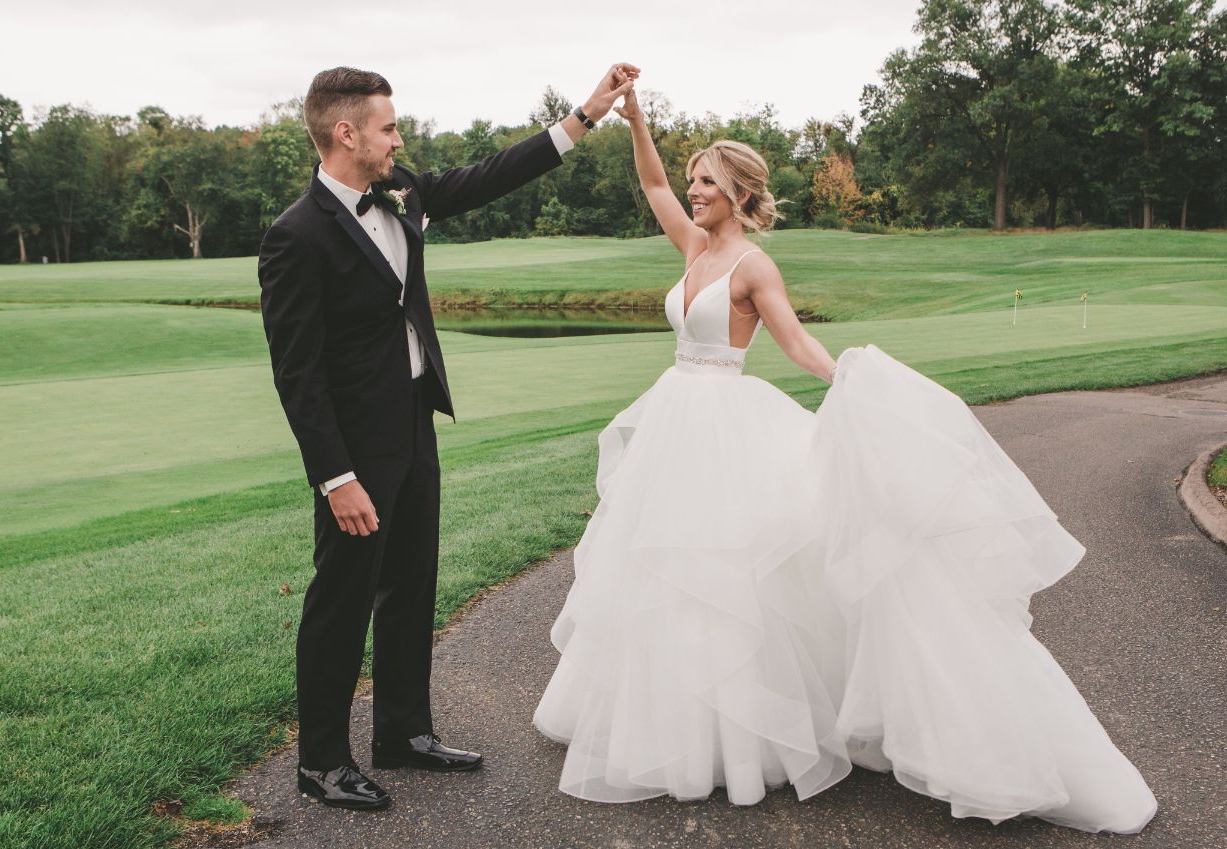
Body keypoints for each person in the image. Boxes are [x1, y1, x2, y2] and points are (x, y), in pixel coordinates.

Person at [532, 87, 1159, 833]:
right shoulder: (694, 248)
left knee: (738, 574)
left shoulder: (752, 266)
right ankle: (676, 730)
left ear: (736, 194)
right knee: (666, 572)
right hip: (676, 416)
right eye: (693, 181)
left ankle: (756, 733)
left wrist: (851, 384)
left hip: (726, 418)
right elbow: (652, 185)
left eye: (707, 183)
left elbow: (795, 342)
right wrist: (635, 122)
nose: (693, 192)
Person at [259, 63, 638, 811]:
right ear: (346, 133)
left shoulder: (402, 192)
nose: (399, 138)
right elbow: (297, 375)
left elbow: (492, 174)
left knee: (411, 584)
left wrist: (584, 116)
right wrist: (336, 477)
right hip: (354, 447)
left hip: (413, 417)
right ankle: (321, 763)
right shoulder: (295, 236)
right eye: (388, 127)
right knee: (341, 597)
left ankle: (403, 732)